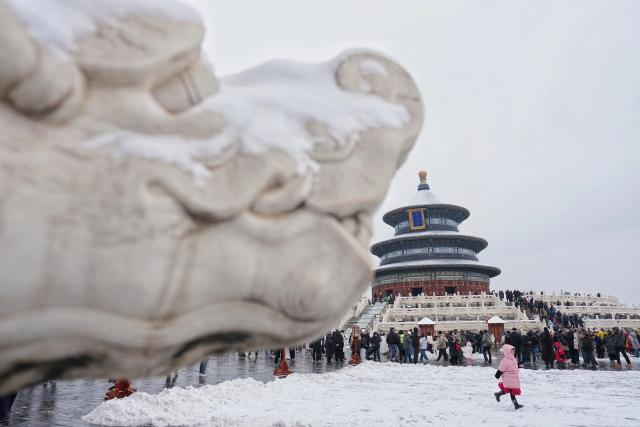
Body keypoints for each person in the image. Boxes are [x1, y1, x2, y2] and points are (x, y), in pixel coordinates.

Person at [494, 344, 524, 410]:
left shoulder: (513, 359)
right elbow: (501, 369)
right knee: (512, 391)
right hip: (508, 378)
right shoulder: (505, 360)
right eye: (512, 351)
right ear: (507, 351)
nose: (513, 352)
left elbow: (514, 366)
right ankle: (516, 405)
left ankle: (498, 394)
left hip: (514, 378)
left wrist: (519, 365)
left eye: (513, 351)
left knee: (509, 390)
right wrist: (497, 375)